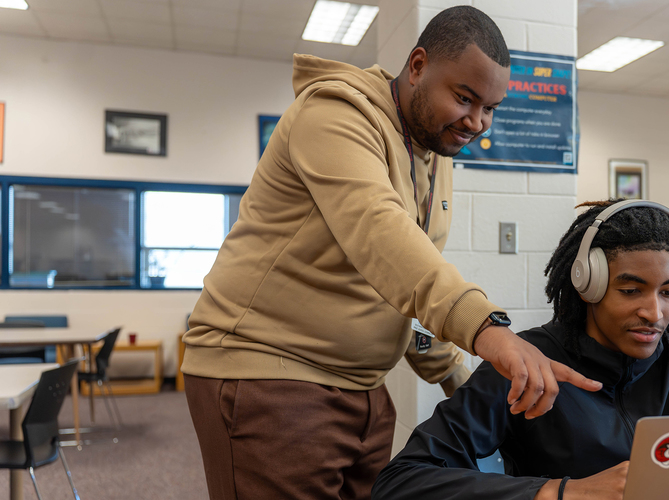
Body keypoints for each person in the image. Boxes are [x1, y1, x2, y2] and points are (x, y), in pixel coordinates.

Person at [180, 6, 600, 500]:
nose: (477, 122)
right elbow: (381, 234)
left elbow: (395, 281)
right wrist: (488, 330)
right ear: (418, 66)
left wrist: (458, 377)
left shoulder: (432, 149)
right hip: (271, 377)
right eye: (464, 98)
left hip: (362, 388)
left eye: (490, 108)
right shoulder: (333, 114)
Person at [372, 199, 669, 500]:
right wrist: (561, 492)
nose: (655, 313)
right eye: (631, 290)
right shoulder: (530, 360)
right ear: (587, 285)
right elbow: (402, 481)